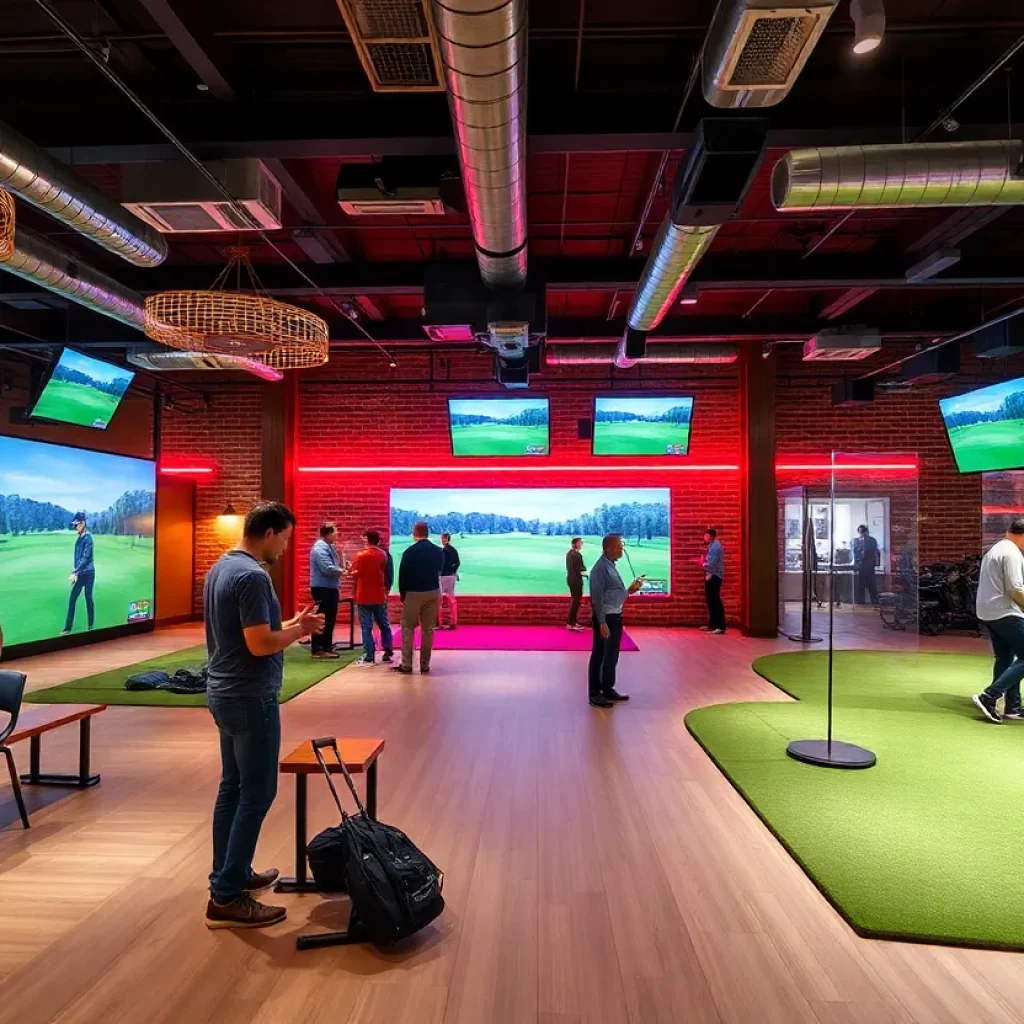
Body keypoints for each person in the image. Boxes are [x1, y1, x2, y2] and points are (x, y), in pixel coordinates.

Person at [204, 501, 325, 929]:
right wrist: (302, 631)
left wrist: (291, 621)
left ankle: (229, 876)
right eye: (287, 539)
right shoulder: (253, 576)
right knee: (257, 793)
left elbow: (250, 633)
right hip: (250, 697)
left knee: (233, 788)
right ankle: (227, 895)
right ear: (270, 532)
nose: (287, 548)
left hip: (225, 692)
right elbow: (259, 645)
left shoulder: (222, 566)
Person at [972, 518, 1024, 723]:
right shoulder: (1011, 553)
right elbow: (1015, 588)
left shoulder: (996, 549)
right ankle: (990, 696)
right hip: (1006, 613)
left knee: (1005, 658)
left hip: (990, 613)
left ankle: (1013, 706)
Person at [588, 533, 644, 708]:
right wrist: (602, 622)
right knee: (600, 655)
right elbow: (597, 599)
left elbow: (614, 593)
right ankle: (595, 693)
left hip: (615, 616)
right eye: (620, 546)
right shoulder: (599, 569)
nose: (622, 549)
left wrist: (629, 591)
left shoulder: (610, 565)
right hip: (605, 618)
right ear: (609, 548)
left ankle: (607, 688)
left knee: (612, 655)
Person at [394, 521, 442, 675]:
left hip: (413, 593)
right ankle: (425, 665)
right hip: (433, 591)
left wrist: (403, 595)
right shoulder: (438, 551)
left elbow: (403, 576)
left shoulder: (409, 552)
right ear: (427, 533)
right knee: (428, 629)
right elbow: (439, 570)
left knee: (408, 628)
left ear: (415, 533)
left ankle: (407, 664)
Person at [349, 529, 394, 666]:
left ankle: (369, 654)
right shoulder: (384, 555)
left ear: (367, 539)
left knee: (366, 626)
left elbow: (354, 572)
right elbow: (387, 573)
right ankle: (388, 648)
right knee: (384, 623)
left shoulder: (361, 555)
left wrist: (351, 569)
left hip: (363, 595)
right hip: (379, 594)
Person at [309, 521, 343, 659]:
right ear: (327, 533)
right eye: (335, 532)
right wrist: (343, 571)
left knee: (330, 618)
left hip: (330, 587)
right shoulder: (319, 549)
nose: (337, 535)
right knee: (322, 618)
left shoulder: (329, 547)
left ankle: (327, 645)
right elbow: (327, 569)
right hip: (323, 588)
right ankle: (318, 648)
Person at [62, 513, 96, 635]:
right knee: (72, 599)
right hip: (80, 574)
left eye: (77, 525)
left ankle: (91, 626)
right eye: (75, 525)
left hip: (89, 574)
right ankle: (67, 628)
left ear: (82, 524)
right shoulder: (79, 539)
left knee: (88, 598)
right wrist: (76, 571)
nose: (75, 527)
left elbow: (85, 557)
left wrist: (75, 571)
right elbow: (77, 558)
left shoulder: (88, 538)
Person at [701, 528, 726, 634]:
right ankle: (712, 624)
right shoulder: (711, 545)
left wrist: (702, 564)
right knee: (710, 600)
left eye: (705, 535)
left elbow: (711, 564)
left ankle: (720, 626)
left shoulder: (715, 547)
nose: (704, 538)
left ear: (710, 536)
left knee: (715, 600)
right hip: (711, 575)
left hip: (715, 576)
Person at [852, 525, 880, 606]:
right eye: (860, 532)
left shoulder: (871, 540)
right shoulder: (856, 541)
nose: (861, 534)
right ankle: (861, 601)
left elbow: (873, 552)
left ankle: (874, 600)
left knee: (871, 584)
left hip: (869, 565)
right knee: (861, 584)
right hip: (861, 566)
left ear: (866, 532)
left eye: (862, 532)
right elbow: (855, 552)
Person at [438, 532, 461, 630]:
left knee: (439, 601)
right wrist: (453, 571)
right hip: (451, 576)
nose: (442, 540)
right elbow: (458, 563)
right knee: (452, 600)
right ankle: (453, 622)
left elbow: (441, 564)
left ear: (447, 539)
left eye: (443, 539)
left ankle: (440, 623)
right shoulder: (453, 550)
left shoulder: (444, 551)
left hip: (444, 577)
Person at [566, 537, 587, 631]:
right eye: (580, 542)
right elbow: (582, 569)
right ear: (576, 544)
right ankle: (571, 624)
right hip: (577, 581)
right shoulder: (577, 555)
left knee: (574, 601)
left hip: (570, 579)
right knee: (575, 602)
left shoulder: (569, 553)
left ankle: (572, 622)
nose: (582, 544)